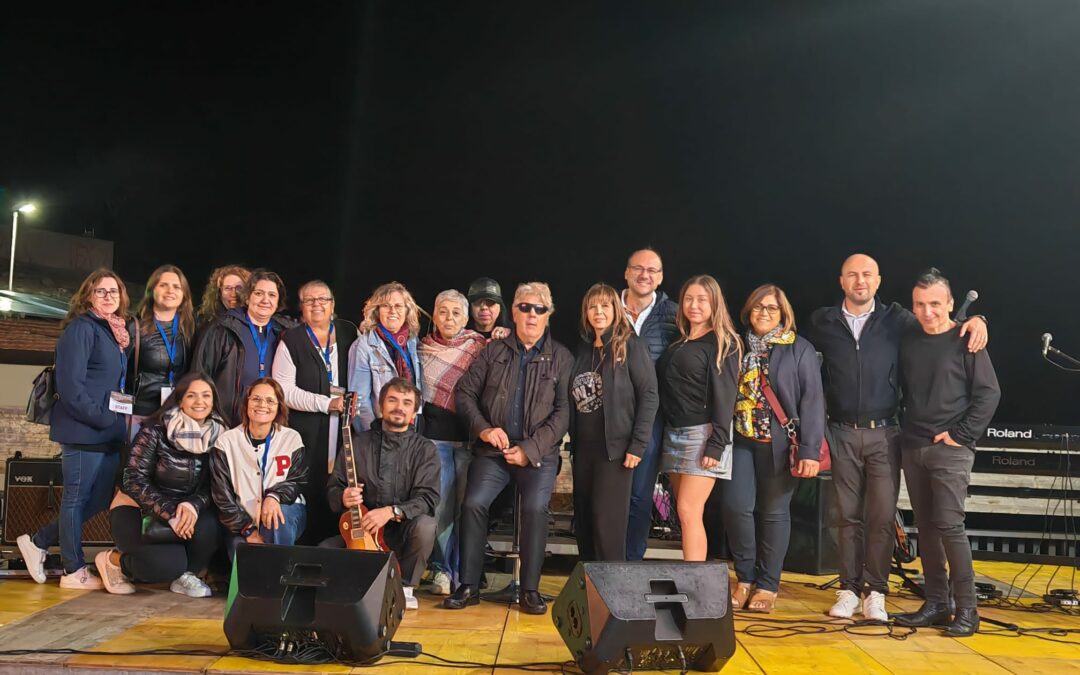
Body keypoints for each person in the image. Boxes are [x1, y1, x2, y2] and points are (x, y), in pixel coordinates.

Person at [806, 253, 988, 622]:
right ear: (841, 281)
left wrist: (977, 321)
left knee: (883, 516)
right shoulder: (822, 321)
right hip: (845, 432)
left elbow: (942, 323)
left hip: (887, 433)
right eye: (852, 275)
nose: (860, 281)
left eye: (867, 274)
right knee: (846, 517)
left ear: (878, 280)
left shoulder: (897, 319)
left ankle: (877, 591)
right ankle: (850, 589)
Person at [445, 282, 572, 615]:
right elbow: (464, 395)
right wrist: (485, 429)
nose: (531, 315)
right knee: (472, 504)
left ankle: (530, 589)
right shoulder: (492, 351)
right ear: (513, 312)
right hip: (493, 453)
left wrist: (531, 448)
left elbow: (564, 413)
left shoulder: (561, 357)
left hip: (538, 456)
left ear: (549, 314)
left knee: (534, 510)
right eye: (525, 307)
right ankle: (469, 584)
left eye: (539, 309)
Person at [891, 269, 1000, 637]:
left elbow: (989, 394)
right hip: (913, 445)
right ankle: (937, 603)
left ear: (950, 304)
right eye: (920, 304)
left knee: (950, 527)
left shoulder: (966, 338)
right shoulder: (908, 336)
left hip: (950, 450)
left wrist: (961, 435)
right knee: (926, 528)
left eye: (935, 304)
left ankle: (968, 610)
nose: (928, 311)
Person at [17, 269, 132, 590]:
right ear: (87, 296)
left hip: (108, 431)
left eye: (114, 291)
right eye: (101, 291)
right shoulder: (81, 329)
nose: (109, 296)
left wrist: (115, 423)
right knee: (76, 499)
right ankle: (73, 569)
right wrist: (102, 418)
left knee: (96, 500)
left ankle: (38, 540)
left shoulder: (114, 331)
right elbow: (70, 388)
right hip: (84, 430)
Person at [723, 284, 825, 614]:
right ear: (748, 312)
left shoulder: (799, 349)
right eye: (757, 308)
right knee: (737, 508)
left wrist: (809, 450)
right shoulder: (736, 347)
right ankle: (745, 579)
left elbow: (812, 401)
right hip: (740, 441)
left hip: (779, 447)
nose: (763, 313)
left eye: (771, 308)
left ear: (783, 314)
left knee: (774, 514)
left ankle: (767, 584)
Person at [96, 373, 226, 597]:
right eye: (191, 396)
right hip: (139, 508)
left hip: (184, 510)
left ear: (213, 400)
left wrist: (193, 505)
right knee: (163, 567)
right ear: (180, 400)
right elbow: (133, 480)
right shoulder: (155, 430)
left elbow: (214, 484)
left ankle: (187, 575)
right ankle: (113, 560)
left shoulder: (221, 436)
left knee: (213, 524)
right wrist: (170, 512)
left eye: (206, 395)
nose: (199, 402)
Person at [569, 283, 658, 562]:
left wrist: (638, 445)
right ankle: (589, 596)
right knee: (585, 524)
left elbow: (650, 396)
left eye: (605, 306)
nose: (598, 311)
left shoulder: (631, 345)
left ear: (616, 311)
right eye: (592, 306)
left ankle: (611, 601)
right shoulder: (583, 350)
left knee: (607, 526)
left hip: (616, 451)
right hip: (584, 451)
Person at [656, 275, 740, 564]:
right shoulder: (679, 341)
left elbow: (726, 398)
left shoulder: (723, 343)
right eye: (689, 298)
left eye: (702, 299)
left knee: (689, 510)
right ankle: (690, 578)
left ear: (715, 303)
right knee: (684, 514)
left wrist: (716, 444)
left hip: (702, 435)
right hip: (674, 433)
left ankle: (695, 587)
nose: (694, 305)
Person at [327, 378, 440, 588]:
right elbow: (334, 487)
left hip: (403, 532)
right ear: (380, 405)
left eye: (406, 403)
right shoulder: (357, 443)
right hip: (363, 531)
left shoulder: (425, 450)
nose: (399, 407)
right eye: (392, 400)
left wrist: (391, 511)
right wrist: (343, 496)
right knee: (323, 552)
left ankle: (404, 588)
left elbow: (428, 499)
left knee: (426, 526)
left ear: (414, 413)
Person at [273, 280, 358, 544]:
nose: (317, 305)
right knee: (311, 485)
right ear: (302, 308)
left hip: (346, 428)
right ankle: (306, 550)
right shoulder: (292, 340)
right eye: (310, 300)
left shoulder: (348, 332)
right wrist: (326, 403)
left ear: (333, 305)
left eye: (323, 299)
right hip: (307, 430)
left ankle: (337, 548)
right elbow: (284, 391)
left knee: (340, 484)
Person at [417, 290, 487, 594]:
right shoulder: (421, 349)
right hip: (436, 440)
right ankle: (440, 570)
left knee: (467, 509)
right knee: (440, 509)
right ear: (434, 313)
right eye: (443, 312)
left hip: (471, 441)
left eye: (456, 313)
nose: (449, 318)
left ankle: (465, 571)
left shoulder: (480, 347)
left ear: (467, 318)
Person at [620, 248, 679, 561]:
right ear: (626, 273)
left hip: (651, 418)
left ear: (660, 277)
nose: (645, 275)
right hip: (607, 417)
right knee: (606, 494)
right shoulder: (605, 308)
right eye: (638, 269)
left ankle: (630, 563)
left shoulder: (675, 314)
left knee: (640, 494)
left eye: (652, 270)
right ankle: (600, 562)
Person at [211, 378, 308, 556]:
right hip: (241, 520)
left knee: (278, 521)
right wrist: (248, 529)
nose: (262, 405)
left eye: (270, 400)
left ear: (279, 406)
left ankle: (282, 581)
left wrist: (274, 496)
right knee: (244, 560)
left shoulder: (292, 438)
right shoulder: (226, 442)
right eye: (256, 399)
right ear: (246, 402)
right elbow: (222, 497)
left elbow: (297, 480)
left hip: (286, 511)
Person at [194, 269, 292, 425]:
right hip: (226, 423)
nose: (265, 300)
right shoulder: (221, 329)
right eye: (259, 293)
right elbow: (199, 377)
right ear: (247, 298)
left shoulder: (285, 333)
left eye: (272, 295)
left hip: (268, 423)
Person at [348, 282, 423, 433]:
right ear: (377, 311)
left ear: (407, 310)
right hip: (380, 433)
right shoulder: (363, 346)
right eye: (386, 306)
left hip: (411, 431)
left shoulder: (413, 341)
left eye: (398, 306)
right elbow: (359, 401)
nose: (392, 311)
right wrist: (373, 437)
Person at [128, 265, 195, 426]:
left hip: (177, 413)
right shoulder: (134, 327)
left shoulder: (190, 328)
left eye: (176, 286)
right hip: (142, 413)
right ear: (152, 291)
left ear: (184, 294)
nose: (170, 290)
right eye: (163, 285)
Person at [196, 264, 250, 329]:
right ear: (219, 292)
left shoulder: (257, 322)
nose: (233, 294)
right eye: (227, 288)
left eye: (239, 288)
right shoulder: (205, 323)